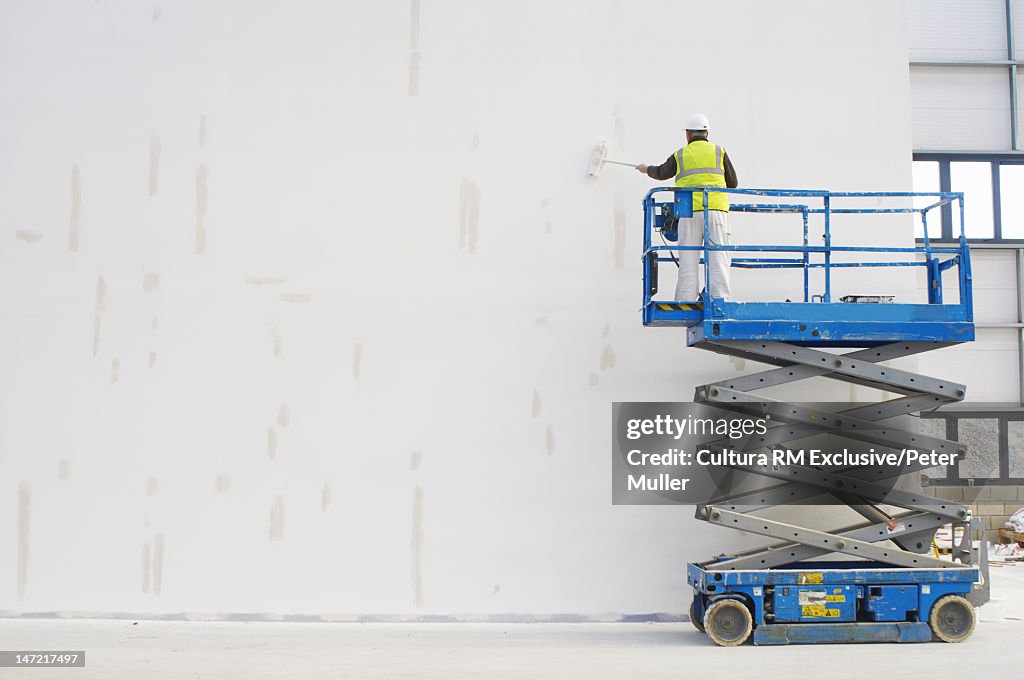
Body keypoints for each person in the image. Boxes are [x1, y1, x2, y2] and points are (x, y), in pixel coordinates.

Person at [636, 113, 738, 301]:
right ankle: (720, 301)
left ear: (688, 134)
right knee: (719, 259)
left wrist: (646, 168)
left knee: (688, 261)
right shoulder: (719, 151)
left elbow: (660, 173)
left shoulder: (681, 154)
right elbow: (733, 183)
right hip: (716, 211)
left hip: (688, 211)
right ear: (707, 133)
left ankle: (686, 300)